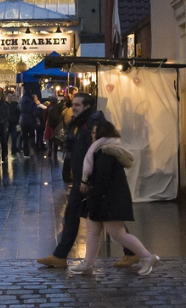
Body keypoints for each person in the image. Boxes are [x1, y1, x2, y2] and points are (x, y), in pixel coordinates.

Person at [37, 92, 135, 269]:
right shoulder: (79, 122)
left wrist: (87, 179)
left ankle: (134, 253)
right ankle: (130, 253)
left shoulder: (92, 124)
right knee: (86, 216)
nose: (73, 108)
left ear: (87, 107)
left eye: (78, 105)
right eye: (73, 104)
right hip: (82, 177)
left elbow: (94, 151)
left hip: (88, 179)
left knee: (99, 217)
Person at [68, 120, 159, 276]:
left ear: (101, 135)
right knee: (93, 231)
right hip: (104, 200)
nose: (91, 134)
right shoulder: (105, 151)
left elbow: (102, 180)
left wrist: (92, 193)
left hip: (107, 201)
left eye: (94, 132)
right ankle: (87, 263)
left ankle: (147, 257)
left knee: (118, 234)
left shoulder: (104, 153)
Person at [18, 91, 43, 157]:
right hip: (31, 120)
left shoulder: (21, 103)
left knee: (24, 136)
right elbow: (36, 112)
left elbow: (18, 110)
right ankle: (31, 148)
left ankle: (26, 152)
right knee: (32, 135)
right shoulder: (32, 103)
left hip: (22, 120)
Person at [6, 91, 20, 155]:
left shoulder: (14, 105)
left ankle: (13, 150)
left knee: (14, 138)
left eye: (11, 97)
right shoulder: (5, 105)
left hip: (13, 123)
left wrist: (16, 120)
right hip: (7, 124)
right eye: (9, 97)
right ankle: (5, 150)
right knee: (5, 138)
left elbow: (18, 113)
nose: (10, 98)